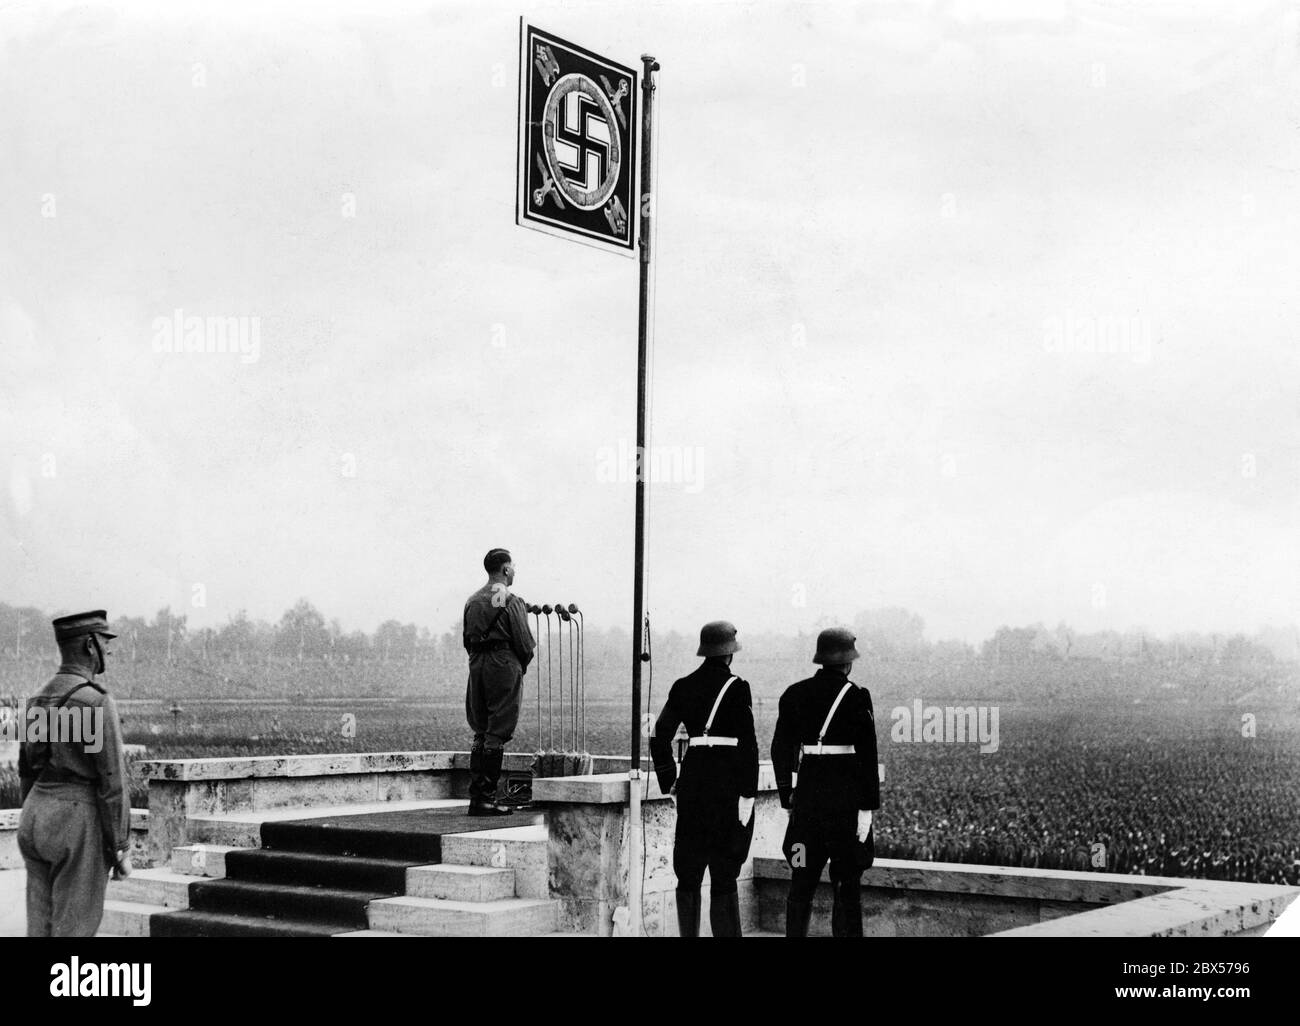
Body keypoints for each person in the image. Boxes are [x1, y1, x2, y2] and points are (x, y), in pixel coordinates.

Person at [17, 610, 131, 937]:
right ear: (88, 645)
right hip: (76, 821)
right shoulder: (95, 701)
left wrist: (36, 815)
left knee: (39, 925)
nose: (108, 649)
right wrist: (119, 846)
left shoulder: (36, 699)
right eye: (104, 641)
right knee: (75, 928)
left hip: (36, 816)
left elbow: (27, 769)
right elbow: (112, 783)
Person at [649, 621, 758, 937]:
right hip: (726, 786)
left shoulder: (683, 686)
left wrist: (670, 779)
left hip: (693, 784)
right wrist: (748, 795)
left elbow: (659, 737)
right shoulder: (738, 687)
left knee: (689, 874)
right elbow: (749, 746)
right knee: (724, 876)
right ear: (729, 654)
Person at [770, 626, 879, 937]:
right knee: (847, 882)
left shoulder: (794, 694)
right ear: (847, 662)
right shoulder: (857, 697)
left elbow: (780, 749)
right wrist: (867, 808)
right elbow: (868, 756)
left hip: (806, 806)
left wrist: (787, 796)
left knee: (801, 876)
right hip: (845, 807)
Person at [463, 548, 535, 816]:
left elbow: (466, 639)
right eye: (512, 566)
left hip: (477, 664)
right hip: (503, 663)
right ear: (505, 570)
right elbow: (525, 643)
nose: (514, 570)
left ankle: (477, 797)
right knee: (497, 730)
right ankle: (487, 799)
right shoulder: (511, 600)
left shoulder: (472, 600)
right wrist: (517, 665)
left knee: (480, 730)